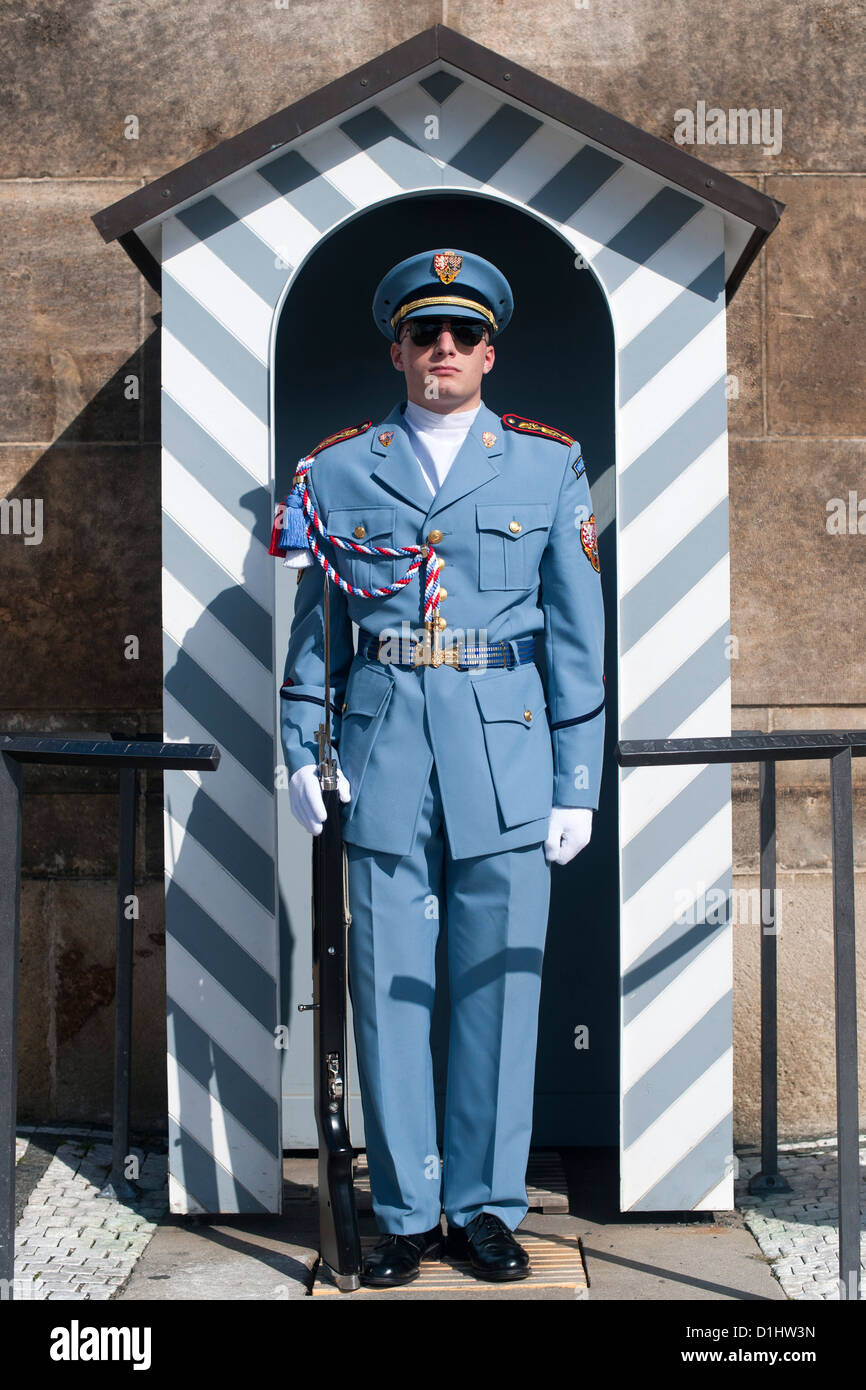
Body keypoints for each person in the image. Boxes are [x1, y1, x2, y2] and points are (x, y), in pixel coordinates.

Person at [271, 248, 605, 1287]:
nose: (444, 349)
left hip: (504, 755)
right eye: (426, 334)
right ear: (398, 350)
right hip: (380, 750)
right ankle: (408, 1211)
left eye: (462, 334)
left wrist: (575, 778)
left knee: (499, 987)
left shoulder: (547, 465)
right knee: (390, 984)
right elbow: (315, 630)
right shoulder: (335, 470)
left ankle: (486, 1208)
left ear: (488, 350)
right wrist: (298, 746)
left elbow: (574, 637)